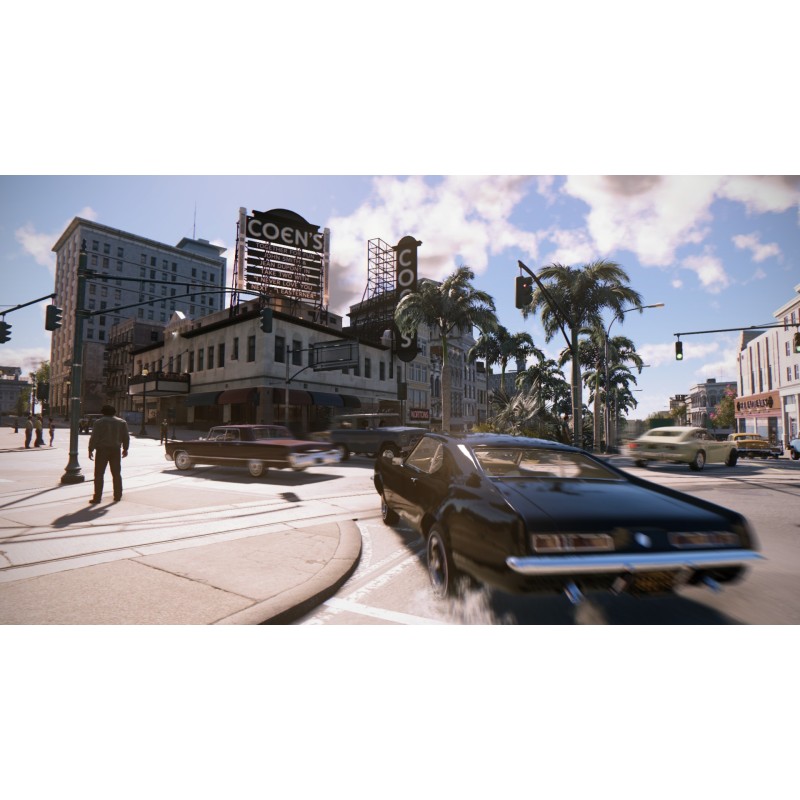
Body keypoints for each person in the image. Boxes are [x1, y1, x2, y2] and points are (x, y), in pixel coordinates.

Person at [88, 405, 130, 504]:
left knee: (99, 474)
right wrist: (125, 448)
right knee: (116, 474)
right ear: (114, 412)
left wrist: (90, 449)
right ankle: (118, 495)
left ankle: (97, 497)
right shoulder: (122, 422)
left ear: (103, 412)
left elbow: (94, 437)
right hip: (116, 450)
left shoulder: (98, 422)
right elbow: (126, 437)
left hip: (102, 450)